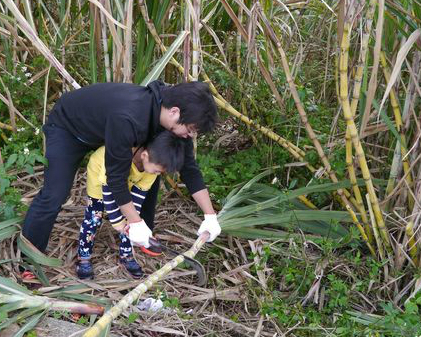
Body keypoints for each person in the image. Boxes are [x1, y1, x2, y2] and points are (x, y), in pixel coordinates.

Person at [22, 80, 221, 264]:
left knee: (151, 168)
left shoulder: (169, 116)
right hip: (70, 129)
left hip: (108, 129)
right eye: (191, 129)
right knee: (54, 194)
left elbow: (189, 168)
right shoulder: (130, 117)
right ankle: (29, 258)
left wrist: (210, 216)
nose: (191, 136)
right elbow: (115, 178)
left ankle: (145, 236)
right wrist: (133, 222)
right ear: (175, 112)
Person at [77, 131, 185, 279]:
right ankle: (84, 258)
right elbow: (108, 192)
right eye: (157, 170)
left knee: (133, 221)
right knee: (93, 218)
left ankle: (126, 256)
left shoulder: (151, 170)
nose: (158, 174)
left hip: (124, 184)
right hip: (100, 181)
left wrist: (134, 224)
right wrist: (119, 223)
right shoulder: (121, 156)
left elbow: (137, 199)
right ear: (145, 156)